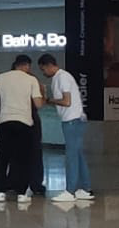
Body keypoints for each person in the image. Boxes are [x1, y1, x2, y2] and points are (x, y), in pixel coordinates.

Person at [0, 54, 43, 203]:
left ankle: (0, 192)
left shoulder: (1, 77)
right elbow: (38, 104)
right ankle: (22, 194)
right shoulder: (31, 80)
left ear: (15, 64)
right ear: (26, 65)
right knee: (23, 158)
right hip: (25, 123)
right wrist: (43, 95)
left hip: (5, 122)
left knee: (3, 158)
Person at [37, 54, 94, 201]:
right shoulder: (59, 77)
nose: (43, 73)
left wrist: (49, 100)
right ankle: (86, 189)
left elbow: (66, 101)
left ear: (49, 65)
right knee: (78, 154)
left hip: (72, 120)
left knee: (71, 156)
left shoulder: (62, 77)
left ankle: (70, 191)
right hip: (73, 119)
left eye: (43, 69)